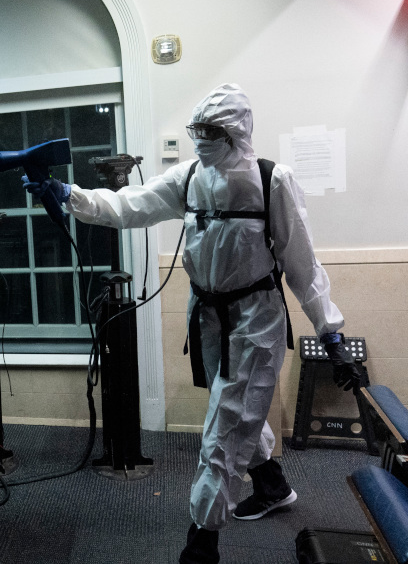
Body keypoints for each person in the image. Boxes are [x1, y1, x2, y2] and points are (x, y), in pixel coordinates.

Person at [22, 83, 361, 564]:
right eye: (196, 129)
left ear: (237, 132)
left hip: (254, 320)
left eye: (211, 130)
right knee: (235, 406)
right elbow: (130, 205)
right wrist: (69, 194)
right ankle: (271, 485)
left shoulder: (272, 180)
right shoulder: (190, 177)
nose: (201, 139)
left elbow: (303, 264)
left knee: (223, 429)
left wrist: (330, 331)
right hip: (207, 315)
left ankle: (201, 541)